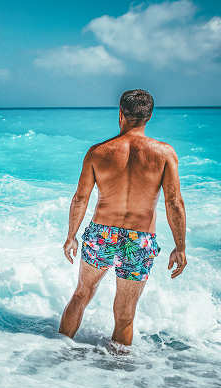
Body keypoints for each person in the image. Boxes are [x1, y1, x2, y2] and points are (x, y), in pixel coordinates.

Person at [59, 89, 187, 348]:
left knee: (81, 294)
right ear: (149, 117)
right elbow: (173, 202)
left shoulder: (98, 152)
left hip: (102, 233)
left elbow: (80, 198)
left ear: (120, 114)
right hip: (139, 239)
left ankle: (57, 353)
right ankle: (119, 379)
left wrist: (71, 236)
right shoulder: (164, 154)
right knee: (125, 314)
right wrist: (180, 246)